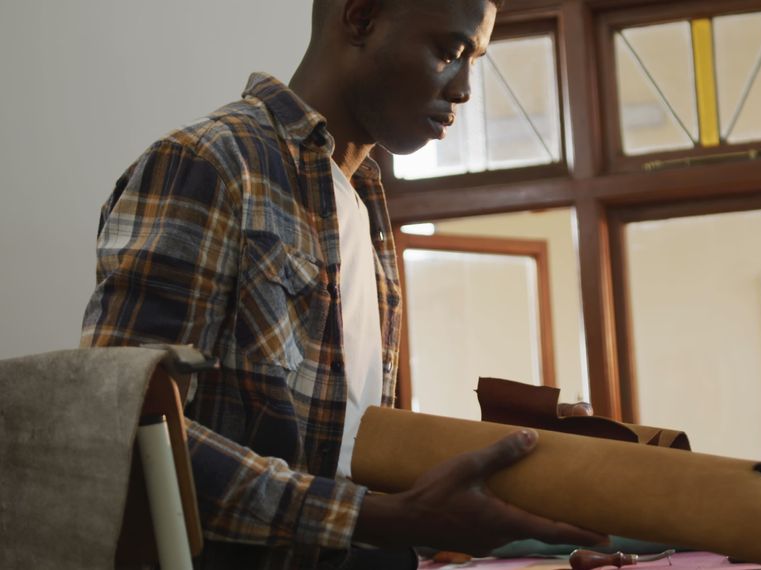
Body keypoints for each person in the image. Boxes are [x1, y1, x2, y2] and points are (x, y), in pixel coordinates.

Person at [80, 0, 605, 568]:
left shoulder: (365, 208)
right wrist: (377, 518)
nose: (464, 91)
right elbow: (125, 428)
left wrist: (500, 527)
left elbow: (336, 462)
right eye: (450, 53)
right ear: (359, 20)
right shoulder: (208, 163)